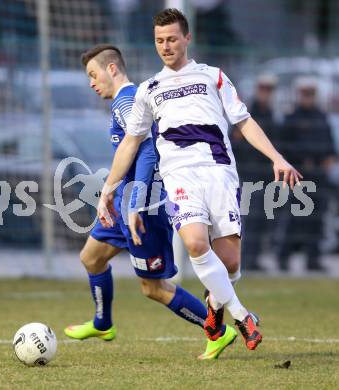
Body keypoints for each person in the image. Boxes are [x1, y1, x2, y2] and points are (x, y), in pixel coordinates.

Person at [98, 8, 302, 351]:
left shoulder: (213, 77)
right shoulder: (149, 89)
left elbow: (244, 121)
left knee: (231, 263)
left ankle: (215, 304)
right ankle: (242, 316)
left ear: (187, 38)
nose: (166, 46)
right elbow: (131, 143)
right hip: (180, 178)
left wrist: (276, 157)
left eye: (172, 39)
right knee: (195, 243)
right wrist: (109, 188)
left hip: (219, 172)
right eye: (160, 41)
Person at [64, 44, 238, 360]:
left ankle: (217, 331)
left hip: (145, 210)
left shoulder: (127, 101)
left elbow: (147, 147)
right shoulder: (123, 101)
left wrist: (136, 201)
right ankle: (103, 324)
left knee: (153, 288)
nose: (91, 82)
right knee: (91, 258)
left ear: (112, 68)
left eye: (93, 74)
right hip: (126, 205)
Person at [274, 76, 336, 271]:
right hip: (298, 176)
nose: (308, 97)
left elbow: (330, 146)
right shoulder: (291, 118)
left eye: (311, 93)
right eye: (305, 93)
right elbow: (283, 148)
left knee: (317, 220)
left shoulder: (321, 117)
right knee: (294, 219)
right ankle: (283, 257)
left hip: (319, 176)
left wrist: (329, 158)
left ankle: (313, 259)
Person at [231, 74, 279, 270]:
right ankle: (245, 258)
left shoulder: (272, 116)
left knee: (261, 218)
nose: (266, 94)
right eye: (263, 89)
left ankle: (253, 257)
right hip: (246, 173)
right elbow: (235, 144)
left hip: (264, 175)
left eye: (269, 90)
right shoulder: (246, 114)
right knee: (247, 217)